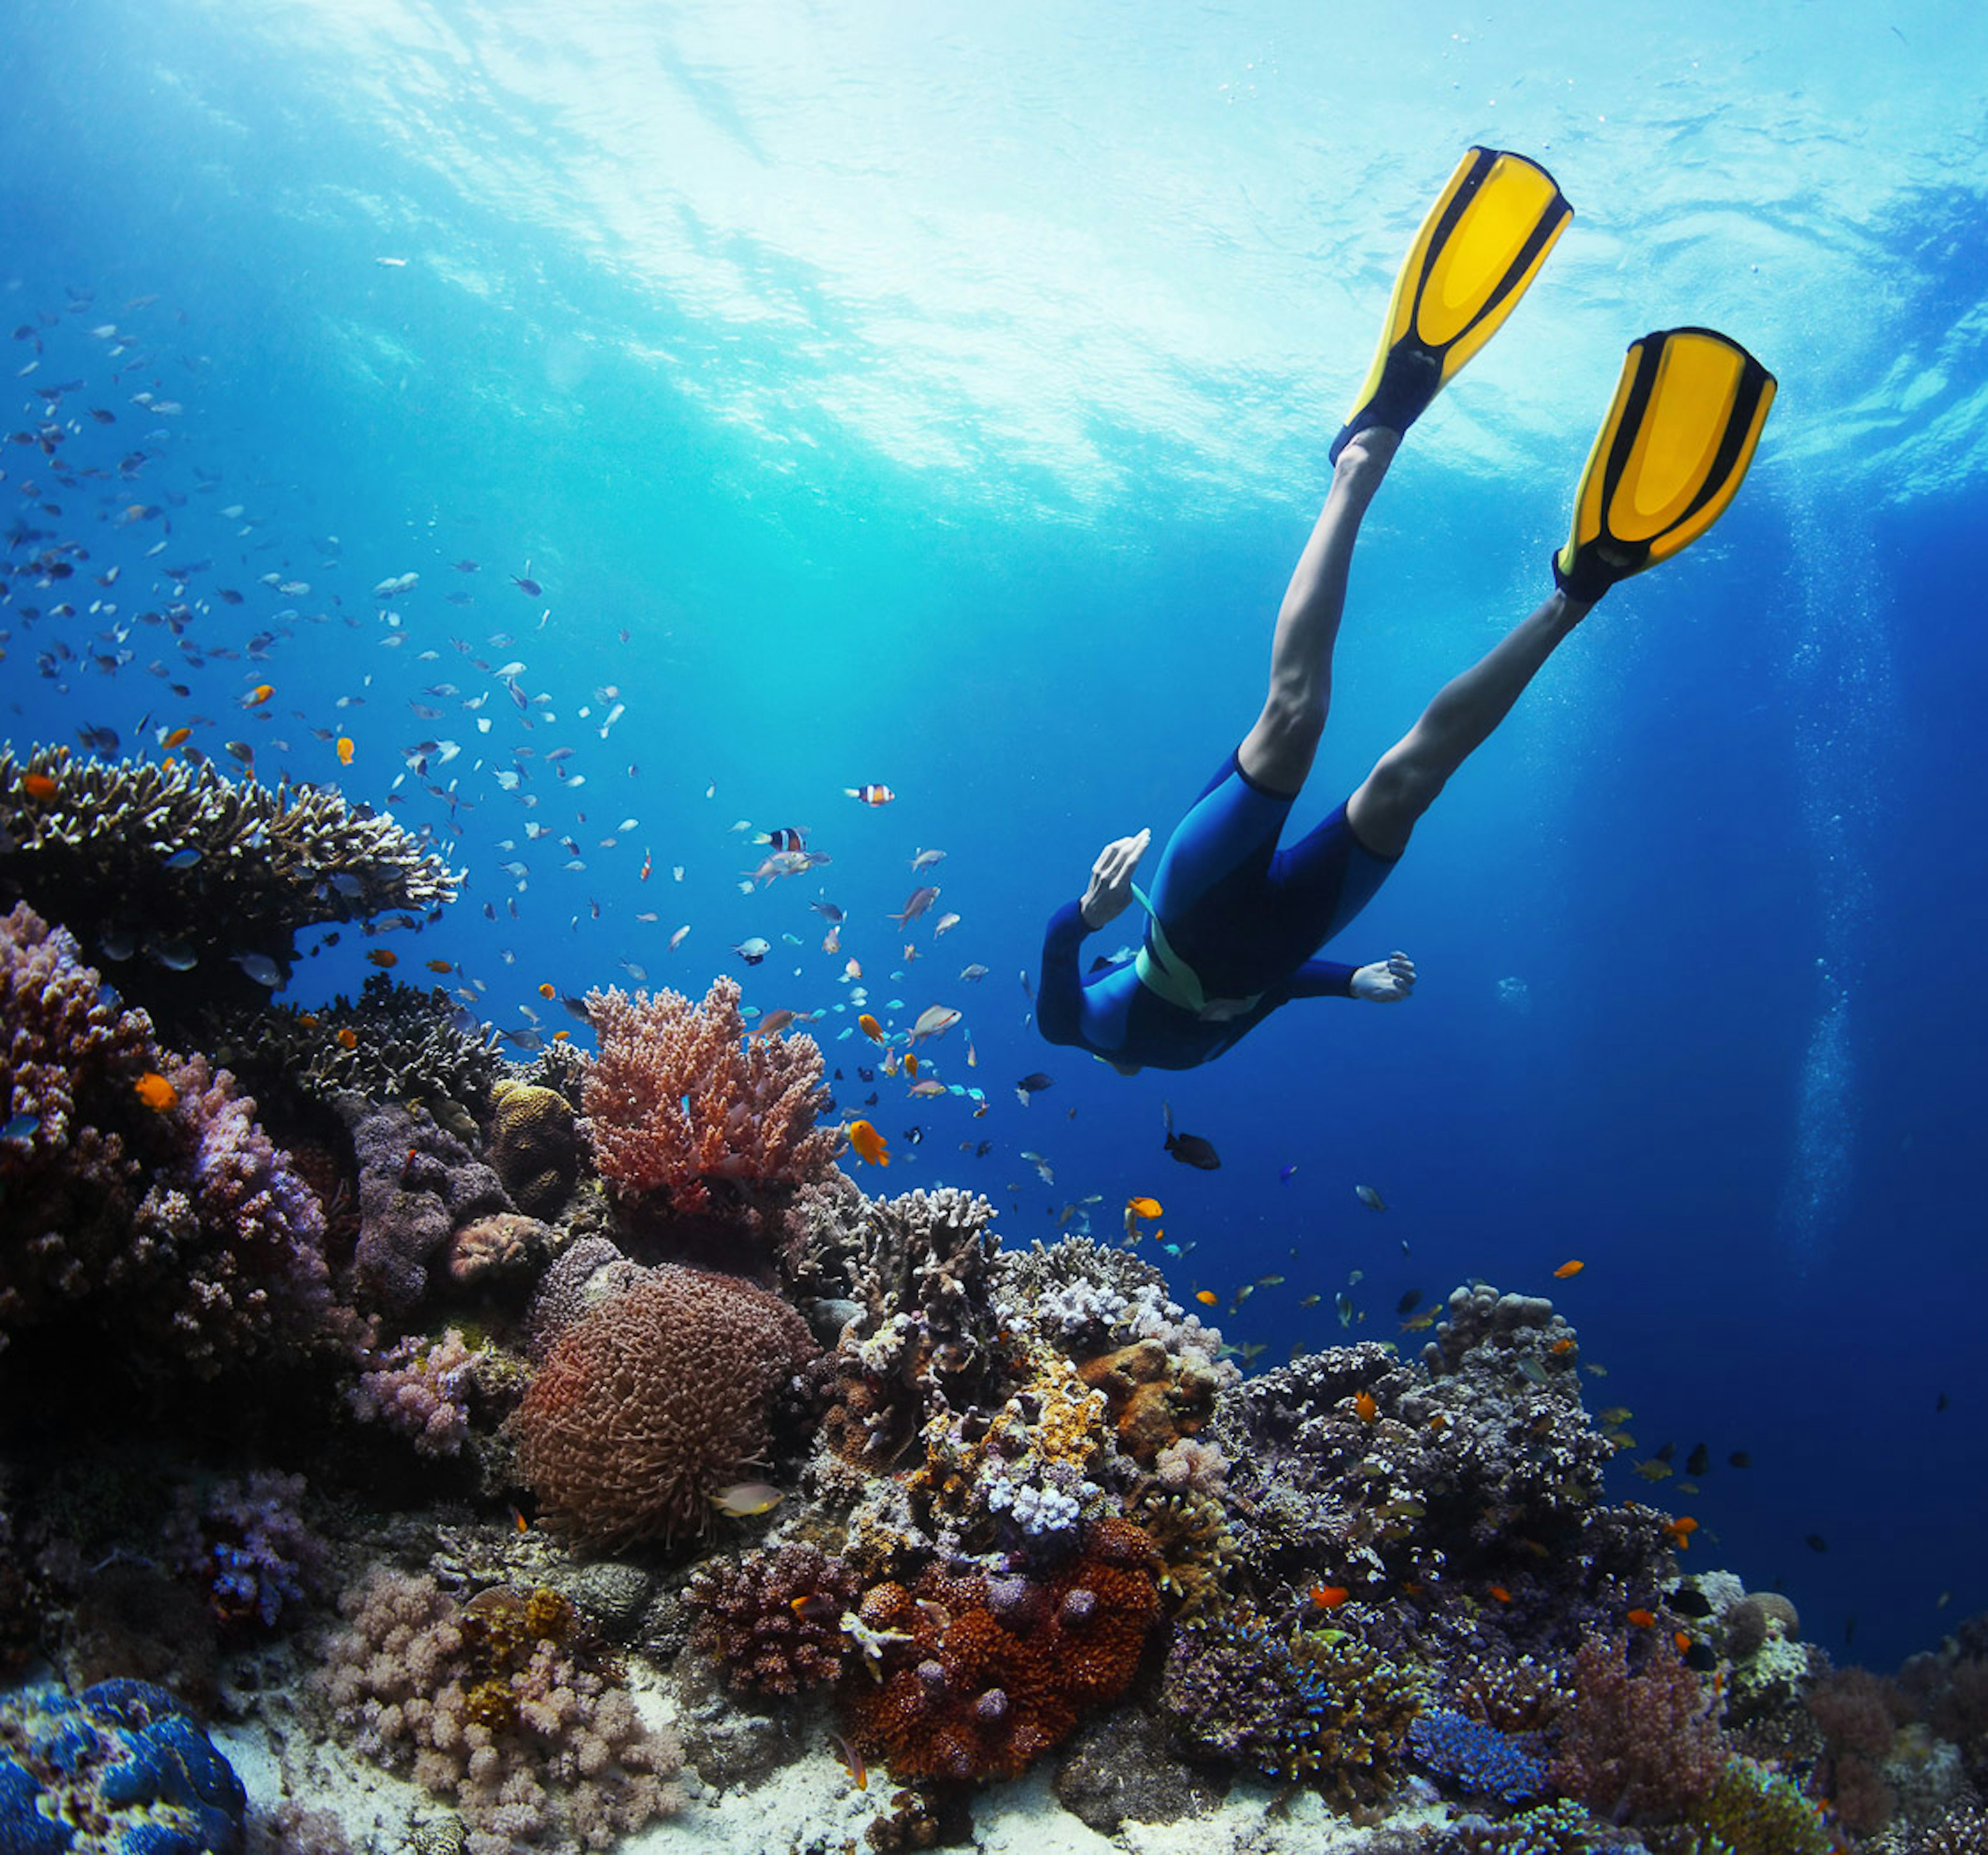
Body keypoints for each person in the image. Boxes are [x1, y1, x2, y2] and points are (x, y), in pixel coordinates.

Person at [1036, 147, 1775, 1074]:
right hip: (1285, 936)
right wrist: (1350, 984)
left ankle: (1362, 457)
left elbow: (1053, 1000)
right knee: (1407, 784)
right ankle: (1578, 592)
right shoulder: (1201, 1051)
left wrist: (1082, 919)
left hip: (1185, 909)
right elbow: (1273, 990)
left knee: (1296, 716)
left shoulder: (1093, 1031)